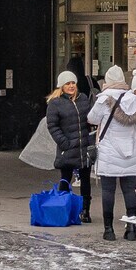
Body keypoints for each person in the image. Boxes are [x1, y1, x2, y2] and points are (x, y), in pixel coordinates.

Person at [90, 66, 136, 242]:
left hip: (108, 152)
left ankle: (109, 230)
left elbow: (91, 119)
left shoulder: (103, 100)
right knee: (129, 191)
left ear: (107, 81)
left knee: (108, 191)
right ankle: (131, 229)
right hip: (131, 152)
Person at [45, 71, 95, 224]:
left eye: (73, 83)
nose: (71, 86)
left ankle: (85, 210)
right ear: (62, 86)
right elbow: (52, 126)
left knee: (86, 179)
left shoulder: (83, 99)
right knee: (65, 179)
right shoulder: (55, 103)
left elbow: (90, 119)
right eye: (68, 83)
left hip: (83, 147)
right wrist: (64, 143)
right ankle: (62, 209)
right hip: (67, 148)